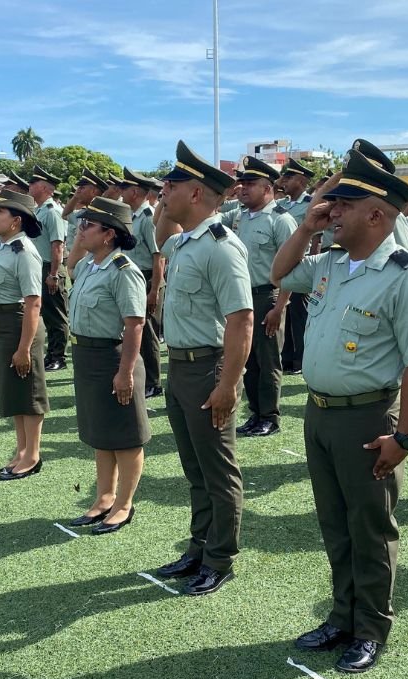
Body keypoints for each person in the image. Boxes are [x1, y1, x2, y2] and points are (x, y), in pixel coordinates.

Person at [272, 150, 408, 674]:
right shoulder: (330, 264)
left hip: (368, 418)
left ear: (377, 214)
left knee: (370, 528)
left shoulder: (407, 277)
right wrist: (307, 227)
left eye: (344, 204)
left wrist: (405, 437)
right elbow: (279, 271)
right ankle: (341, 614)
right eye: (331, 203)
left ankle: (370, 627)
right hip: (319, 415)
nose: (332, 210)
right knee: (335, 523)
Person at [152, 140, 253, 596]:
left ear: (194, 193)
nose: (161, 193)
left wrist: (229, 384)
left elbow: (241, 319)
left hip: (209, 368)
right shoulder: (185, 241)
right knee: (195, 468)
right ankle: (198, 546)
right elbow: (157, 236)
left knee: (217, 468)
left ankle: (219, 558)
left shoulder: (220, 246)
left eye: (169, 186)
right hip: (180, 366)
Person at [66, 197, 150, 532]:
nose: (80, 230)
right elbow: (69, 263)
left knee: (125, 436)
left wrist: (125, 372)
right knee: (101, 433)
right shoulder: (87, 265)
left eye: (88, 225)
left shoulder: (123, 272)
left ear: (109, 235)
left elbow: (135, 325)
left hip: (113, 357)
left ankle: (124, 504)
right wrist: (80, 236)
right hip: (87, 357)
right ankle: (103, 498)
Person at [0, 190, 47, 477]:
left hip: (20, 323)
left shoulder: (24, 251)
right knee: (14, 392)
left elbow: (33, 302)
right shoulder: (0, 245)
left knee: (29, 391)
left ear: (16, 221)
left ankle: (32, 454)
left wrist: (24, 348)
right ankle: (20, 450)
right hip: (1, 322)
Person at [231, 156, 298, 437]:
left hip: (267, 296)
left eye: (250, 184)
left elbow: (293, 268)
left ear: (267, 187)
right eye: (242, 183)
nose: (242, 188)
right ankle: (256, 413)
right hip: (243, 299)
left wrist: (280, 306)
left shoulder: (281, 220)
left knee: (268, 359)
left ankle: (270, 416)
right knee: (249, 360)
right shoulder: (239, 216)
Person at [117, 168, 165, 398]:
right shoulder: (131, 216)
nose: (121, 192)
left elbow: (159, 256)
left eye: (125, 188)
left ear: (135, 191)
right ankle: (143, 377)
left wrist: (155, 289)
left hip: (147, 279)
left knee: (147, 335)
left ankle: (153, 382)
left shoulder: (147, 218)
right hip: (133, 278)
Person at [277, 157, 317, 374]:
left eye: (290, 177)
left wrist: (312, 272)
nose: (285, 180)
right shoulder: (281, 205)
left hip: (301, 266)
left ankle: (301, 359)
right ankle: (287, 357)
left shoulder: (309, 204)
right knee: (287, 315)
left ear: (301, 181)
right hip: (283, 265)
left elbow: (316, 240)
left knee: (301, 316)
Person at [28, 167, 69, 371]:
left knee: (55, 314)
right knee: (46, 312)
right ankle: (51, 353)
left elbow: (57, 245)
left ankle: (58, 356)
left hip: (50, 268)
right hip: (39, 267)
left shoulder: (53, 212)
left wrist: (53, 274)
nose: (30, 186)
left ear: (44, 187)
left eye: (33, 183)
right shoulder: (39, 210)